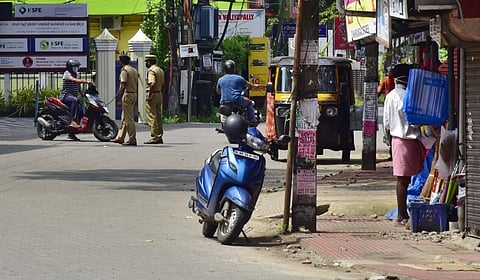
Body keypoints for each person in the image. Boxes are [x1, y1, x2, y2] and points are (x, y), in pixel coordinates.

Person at [383, 64, 426, 226]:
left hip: (397, 140)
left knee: (405, 178)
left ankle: (403, 213)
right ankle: (401, 214)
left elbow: (386, 122)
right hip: (406, 140)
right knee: (403, 179)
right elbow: (413, 120)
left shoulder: (391, 96)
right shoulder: (406, 96)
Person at [216, 60, 260, 125]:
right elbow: (249, 85)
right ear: (234, 68)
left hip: (224, 101)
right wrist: (255, 86)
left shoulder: (220, 79)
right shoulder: (239, 78)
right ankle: (252, 121)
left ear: (224, 69)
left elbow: (218, 91)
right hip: (237, 100)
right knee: (249, 103)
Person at [111, 54, 139, 146]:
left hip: (127, 94)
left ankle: (132, 139)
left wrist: (119, 97)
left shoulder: (124, 70)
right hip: (134, 94)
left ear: (121, 62)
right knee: (124, 117)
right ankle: (120, 137)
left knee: (129, 119)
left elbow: (123, 85)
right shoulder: (134, 70)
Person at [61, 59, 91, 141]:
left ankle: (72, 133)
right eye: (74, 66)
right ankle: (73, 121)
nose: (76, 68)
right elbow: (74, 80)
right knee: (75, 100)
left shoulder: (76, 74)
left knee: (81, 112)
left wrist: (82, 94)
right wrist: (86, 81)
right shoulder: (67, 74)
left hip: (73, 96)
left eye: (77, 66)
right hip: (66, 96)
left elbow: (78, 85)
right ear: (70, 67)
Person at [144, 54, 165, 144]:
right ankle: (159, 136)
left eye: (146, 62)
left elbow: (152, 83)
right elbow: (163, 84)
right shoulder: (160, 70)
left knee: (152, 117)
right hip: (159, 94)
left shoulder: (152, 71)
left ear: (149, 62)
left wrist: (150, 95)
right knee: (158, 117)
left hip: (153, 94)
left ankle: (154, 136)